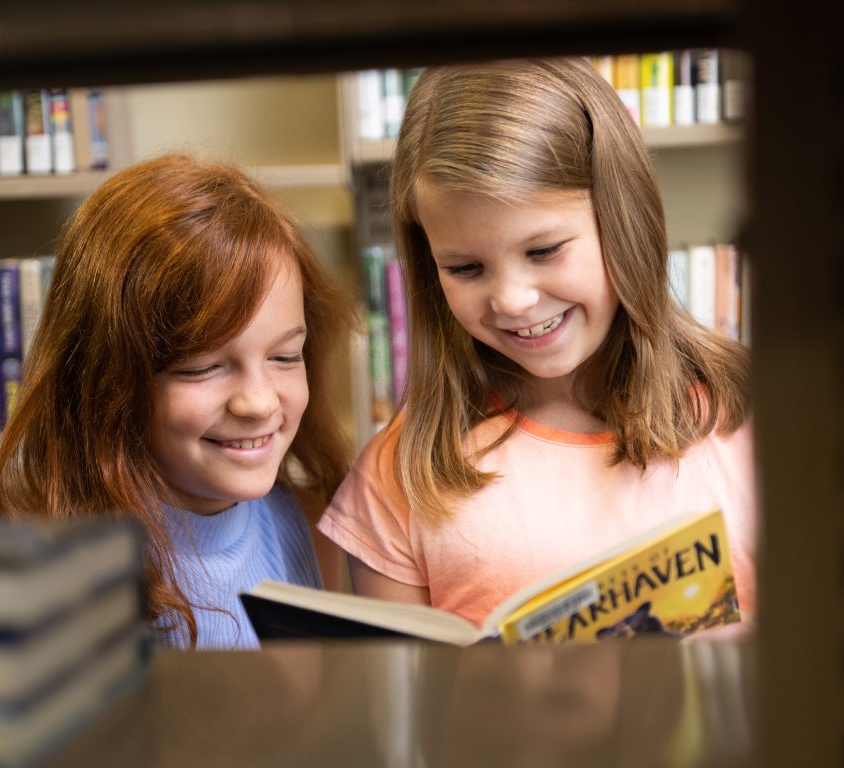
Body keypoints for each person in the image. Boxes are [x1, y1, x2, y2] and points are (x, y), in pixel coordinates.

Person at [318, 58, 757, 633]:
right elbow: (402, 713)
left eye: (545, 250)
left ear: (624, 221)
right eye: (466, 267)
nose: (513, 300)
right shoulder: (402, 476)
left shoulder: (748, 415)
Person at [0, 153, 357, 650]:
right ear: (109, 384)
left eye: (285, 356)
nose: (257, 401)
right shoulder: (74, 583)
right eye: (202, 367)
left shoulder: (298, 519)